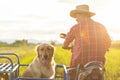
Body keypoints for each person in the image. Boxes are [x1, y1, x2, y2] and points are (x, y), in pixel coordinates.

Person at [62, 4, 111, 80]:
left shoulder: (76, 27)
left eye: (77, 16)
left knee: (71, 72)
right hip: (99, 62)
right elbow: (108, 43)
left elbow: (65, 44)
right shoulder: (101, 26)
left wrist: (66, 46)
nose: (76, 19)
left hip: (80, 63)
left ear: (82, 14)